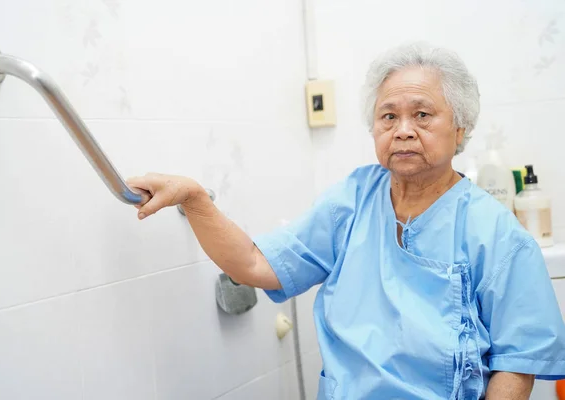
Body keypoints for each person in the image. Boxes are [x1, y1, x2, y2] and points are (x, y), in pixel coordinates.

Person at [126, 43, 565, 400]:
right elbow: (255, 265)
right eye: (388, 116)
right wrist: (195, 199)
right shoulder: (353, 201)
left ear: (461, 129)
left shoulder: (496, 233)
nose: (403, 129)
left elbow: (517, 364)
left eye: (423, 114)